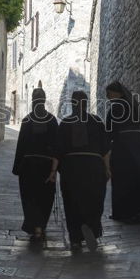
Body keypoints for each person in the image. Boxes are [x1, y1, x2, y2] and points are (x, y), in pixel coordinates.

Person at [52, 90, 110, 251]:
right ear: (86, 103)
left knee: (72, 203)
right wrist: (108, 169)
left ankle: (75, 237)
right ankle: (90, 228)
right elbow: (105, 149)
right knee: (94, 201)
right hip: (94, 167)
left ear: (72, 103)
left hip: (71, 169)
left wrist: (52, 171)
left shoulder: (65, 123)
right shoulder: (97, 121)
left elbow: (58, 150)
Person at [12, 88, 59, 242]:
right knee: (45, 197)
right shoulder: (52, 121)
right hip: (46, 167)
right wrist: (56, 169)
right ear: (44, 100)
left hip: (28, 167)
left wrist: (17, 168)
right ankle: (40, 227)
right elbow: (57, 147)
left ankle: (35, 228)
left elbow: (21, 146)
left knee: (30, 197)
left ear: (33, 101)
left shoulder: (27, 120)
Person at [105, 81, 140, 223]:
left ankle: (123, 212)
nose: (108, 97)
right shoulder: (133, 105)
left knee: (121, 178)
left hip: (124, 145)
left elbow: (109, 129)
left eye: (109, 93)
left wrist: (106, 146)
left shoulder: (116, 106)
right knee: (139, 177)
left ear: (116, 93)